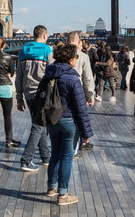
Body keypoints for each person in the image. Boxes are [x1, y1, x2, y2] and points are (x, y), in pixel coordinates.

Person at [43, 44, 94, 206]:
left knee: (55, 154)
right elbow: (80, 107)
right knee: (66, 157)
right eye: (76, 57)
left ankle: (52, 187)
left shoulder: (49, 75)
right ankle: (63, 194)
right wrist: (87, 133)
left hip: (52, 119)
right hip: (68, 121)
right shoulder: (72, 78)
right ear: (71, 59)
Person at [17, 25, 53, 172]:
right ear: (44, 36)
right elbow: (52, 74)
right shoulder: (47, 51)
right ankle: (26, 160)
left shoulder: (23, 51)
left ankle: (46, 157)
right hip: (43, 93)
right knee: (38, 126)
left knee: (40, 123)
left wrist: (19, 97)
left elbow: (19, 76)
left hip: (28, 93)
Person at [67, 31, 95, 156]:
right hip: (78, 93)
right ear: (79, 42)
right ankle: (75, 147)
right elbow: (88, 78)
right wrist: (90, 94)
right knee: (78, 120)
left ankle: (66, 146)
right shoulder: (83, 57)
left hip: (62, 92)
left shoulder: (59, 54)